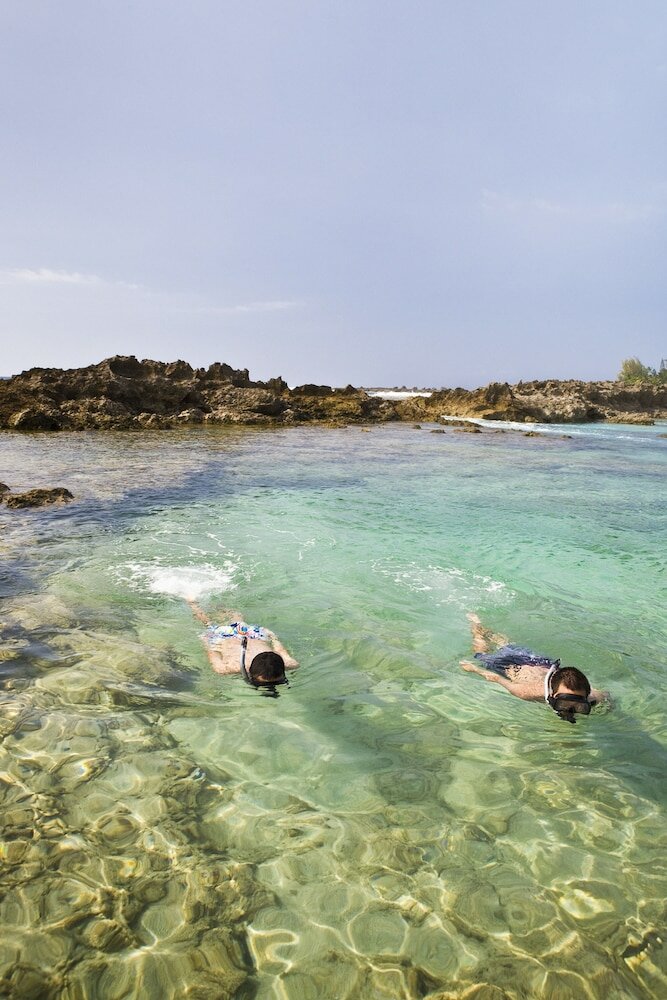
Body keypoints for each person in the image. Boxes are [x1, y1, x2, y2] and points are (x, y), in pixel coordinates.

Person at [460, 613, 608, 723]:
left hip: (540, 662)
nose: (570, 709)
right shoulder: (526, 692)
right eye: (563, 704)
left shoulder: (595, 696)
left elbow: (606, 696)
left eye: (579, 706)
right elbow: (496, 678)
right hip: (510, 666)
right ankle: (476, 626)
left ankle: (484, 630)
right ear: (552, 694)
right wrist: (474, 669)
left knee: (506, 645)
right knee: (481, 653)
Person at [188, 600, 298, 692]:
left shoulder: (291, 663)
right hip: (226, 636)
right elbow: (211, 651)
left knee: (235, 618)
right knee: (208, 623)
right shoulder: (227, 668)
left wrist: (272, 636)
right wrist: (207, 639)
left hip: (255, 634)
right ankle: (193, 603)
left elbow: (279, 649)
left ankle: (209, 604)